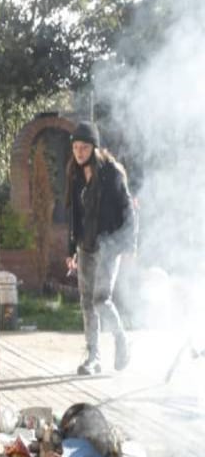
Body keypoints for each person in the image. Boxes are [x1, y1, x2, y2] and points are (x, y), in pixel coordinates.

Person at [65, 121, 137, 375]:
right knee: (86, 301)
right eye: (75, 147)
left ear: (94, 148)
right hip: (85, 245)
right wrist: (70, 249)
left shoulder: (111, 173)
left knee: (100, 299)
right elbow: (73, 213)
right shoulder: (74, 173)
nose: (79, 152)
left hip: (109, 244)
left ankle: (121, 339)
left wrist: (129, 245)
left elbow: (128, 210)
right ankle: (93, 357)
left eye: (84, 147)